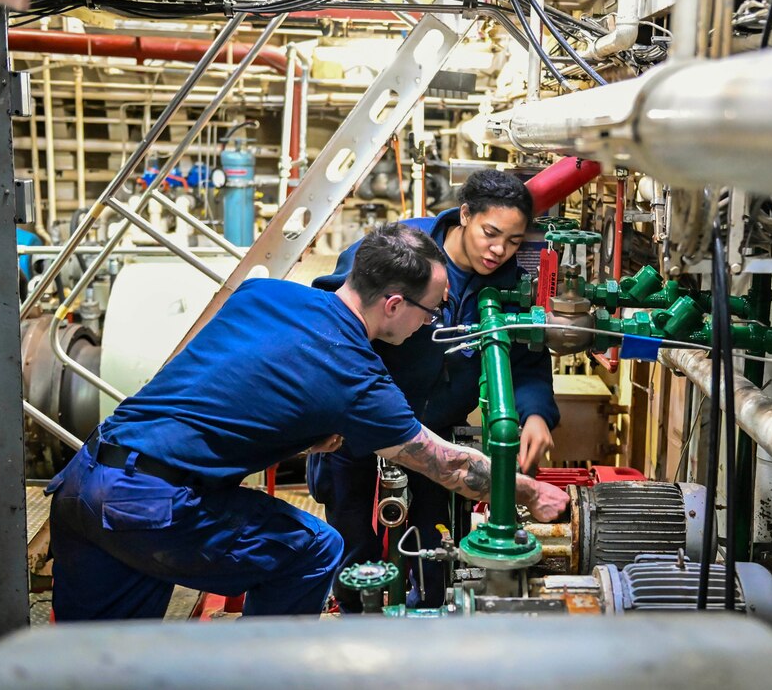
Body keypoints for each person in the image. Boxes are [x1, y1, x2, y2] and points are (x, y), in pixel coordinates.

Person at [45, 223, 568, 620]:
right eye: (429, 313)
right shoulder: (353, 373)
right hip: (153, 505)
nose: (428, 324)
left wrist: (304, 430)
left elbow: (238, 380)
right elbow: (447, 466)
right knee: (313, 549)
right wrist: (529, 493)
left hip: (86, 481)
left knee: (94, 655)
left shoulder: (266, 294)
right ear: (392, 304)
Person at [308, 169, 559, 611]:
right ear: (464, 215)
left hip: (437, 433)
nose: (499, 250)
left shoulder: (510, 283)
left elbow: (527, 361)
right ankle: (354, 626)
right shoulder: (401, 251)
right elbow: (334, 316)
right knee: (352, 541)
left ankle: (429, 624)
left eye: (515, 241)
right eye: (490, 233)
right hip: (362, 425)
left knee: (433, 543)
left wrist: (535, 412)